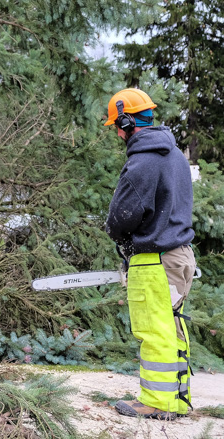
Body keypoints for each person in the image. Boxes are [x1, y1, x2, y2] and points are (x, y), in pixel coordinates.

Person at [104, 88, 196, 420]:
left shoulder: (142, 162)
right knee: (173, 327)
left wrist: (117, 234)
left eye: (117, 124)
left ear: (127, 121)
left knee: (154, 329)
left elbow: (121, 217)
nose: (117, 132)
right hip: (180, 256)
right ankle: (176, 397)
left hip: (155, 260)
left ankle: (156, 401)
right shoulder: (175, 157)